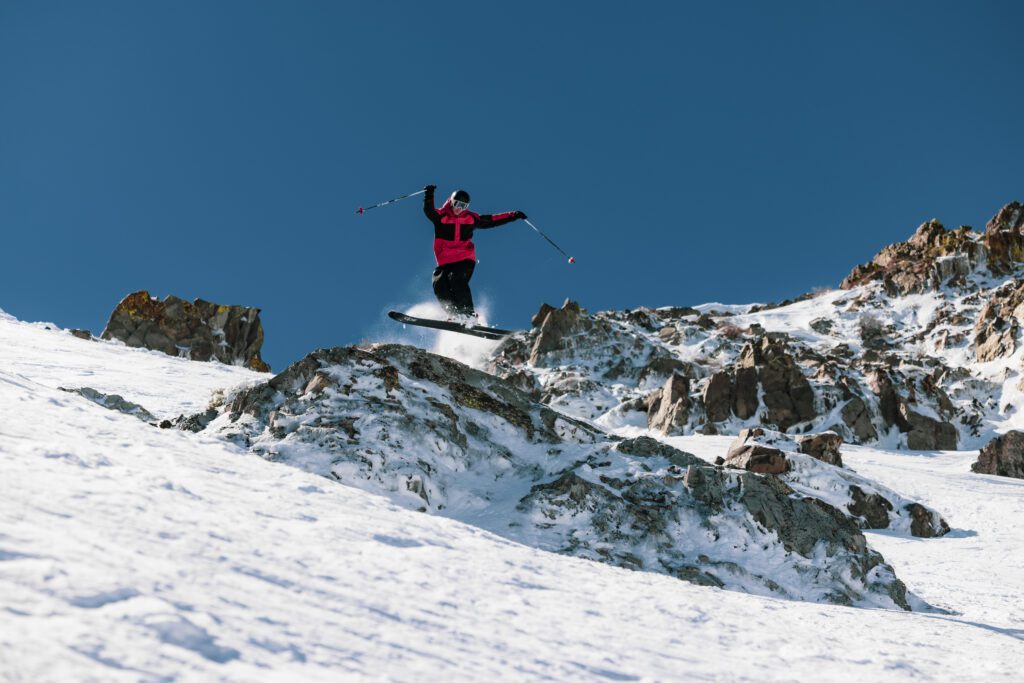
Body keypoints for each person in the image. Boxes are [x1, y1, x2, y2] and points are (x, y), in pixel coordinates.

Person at [421, 184, 526, 320]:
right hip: (445, 260)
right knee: (439, 283)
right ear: (451, 202)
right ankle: (454, 314)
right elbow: (429, 211)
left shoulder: (471, 218)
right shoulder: (441, 216)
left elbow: (492, 220)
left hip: (464, 258)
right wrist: (429, 195)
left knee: (456, 279)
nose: (459, 208)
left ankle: (468, 314)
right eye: (457, 204)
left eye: (463, 206)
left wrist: (514, 215)